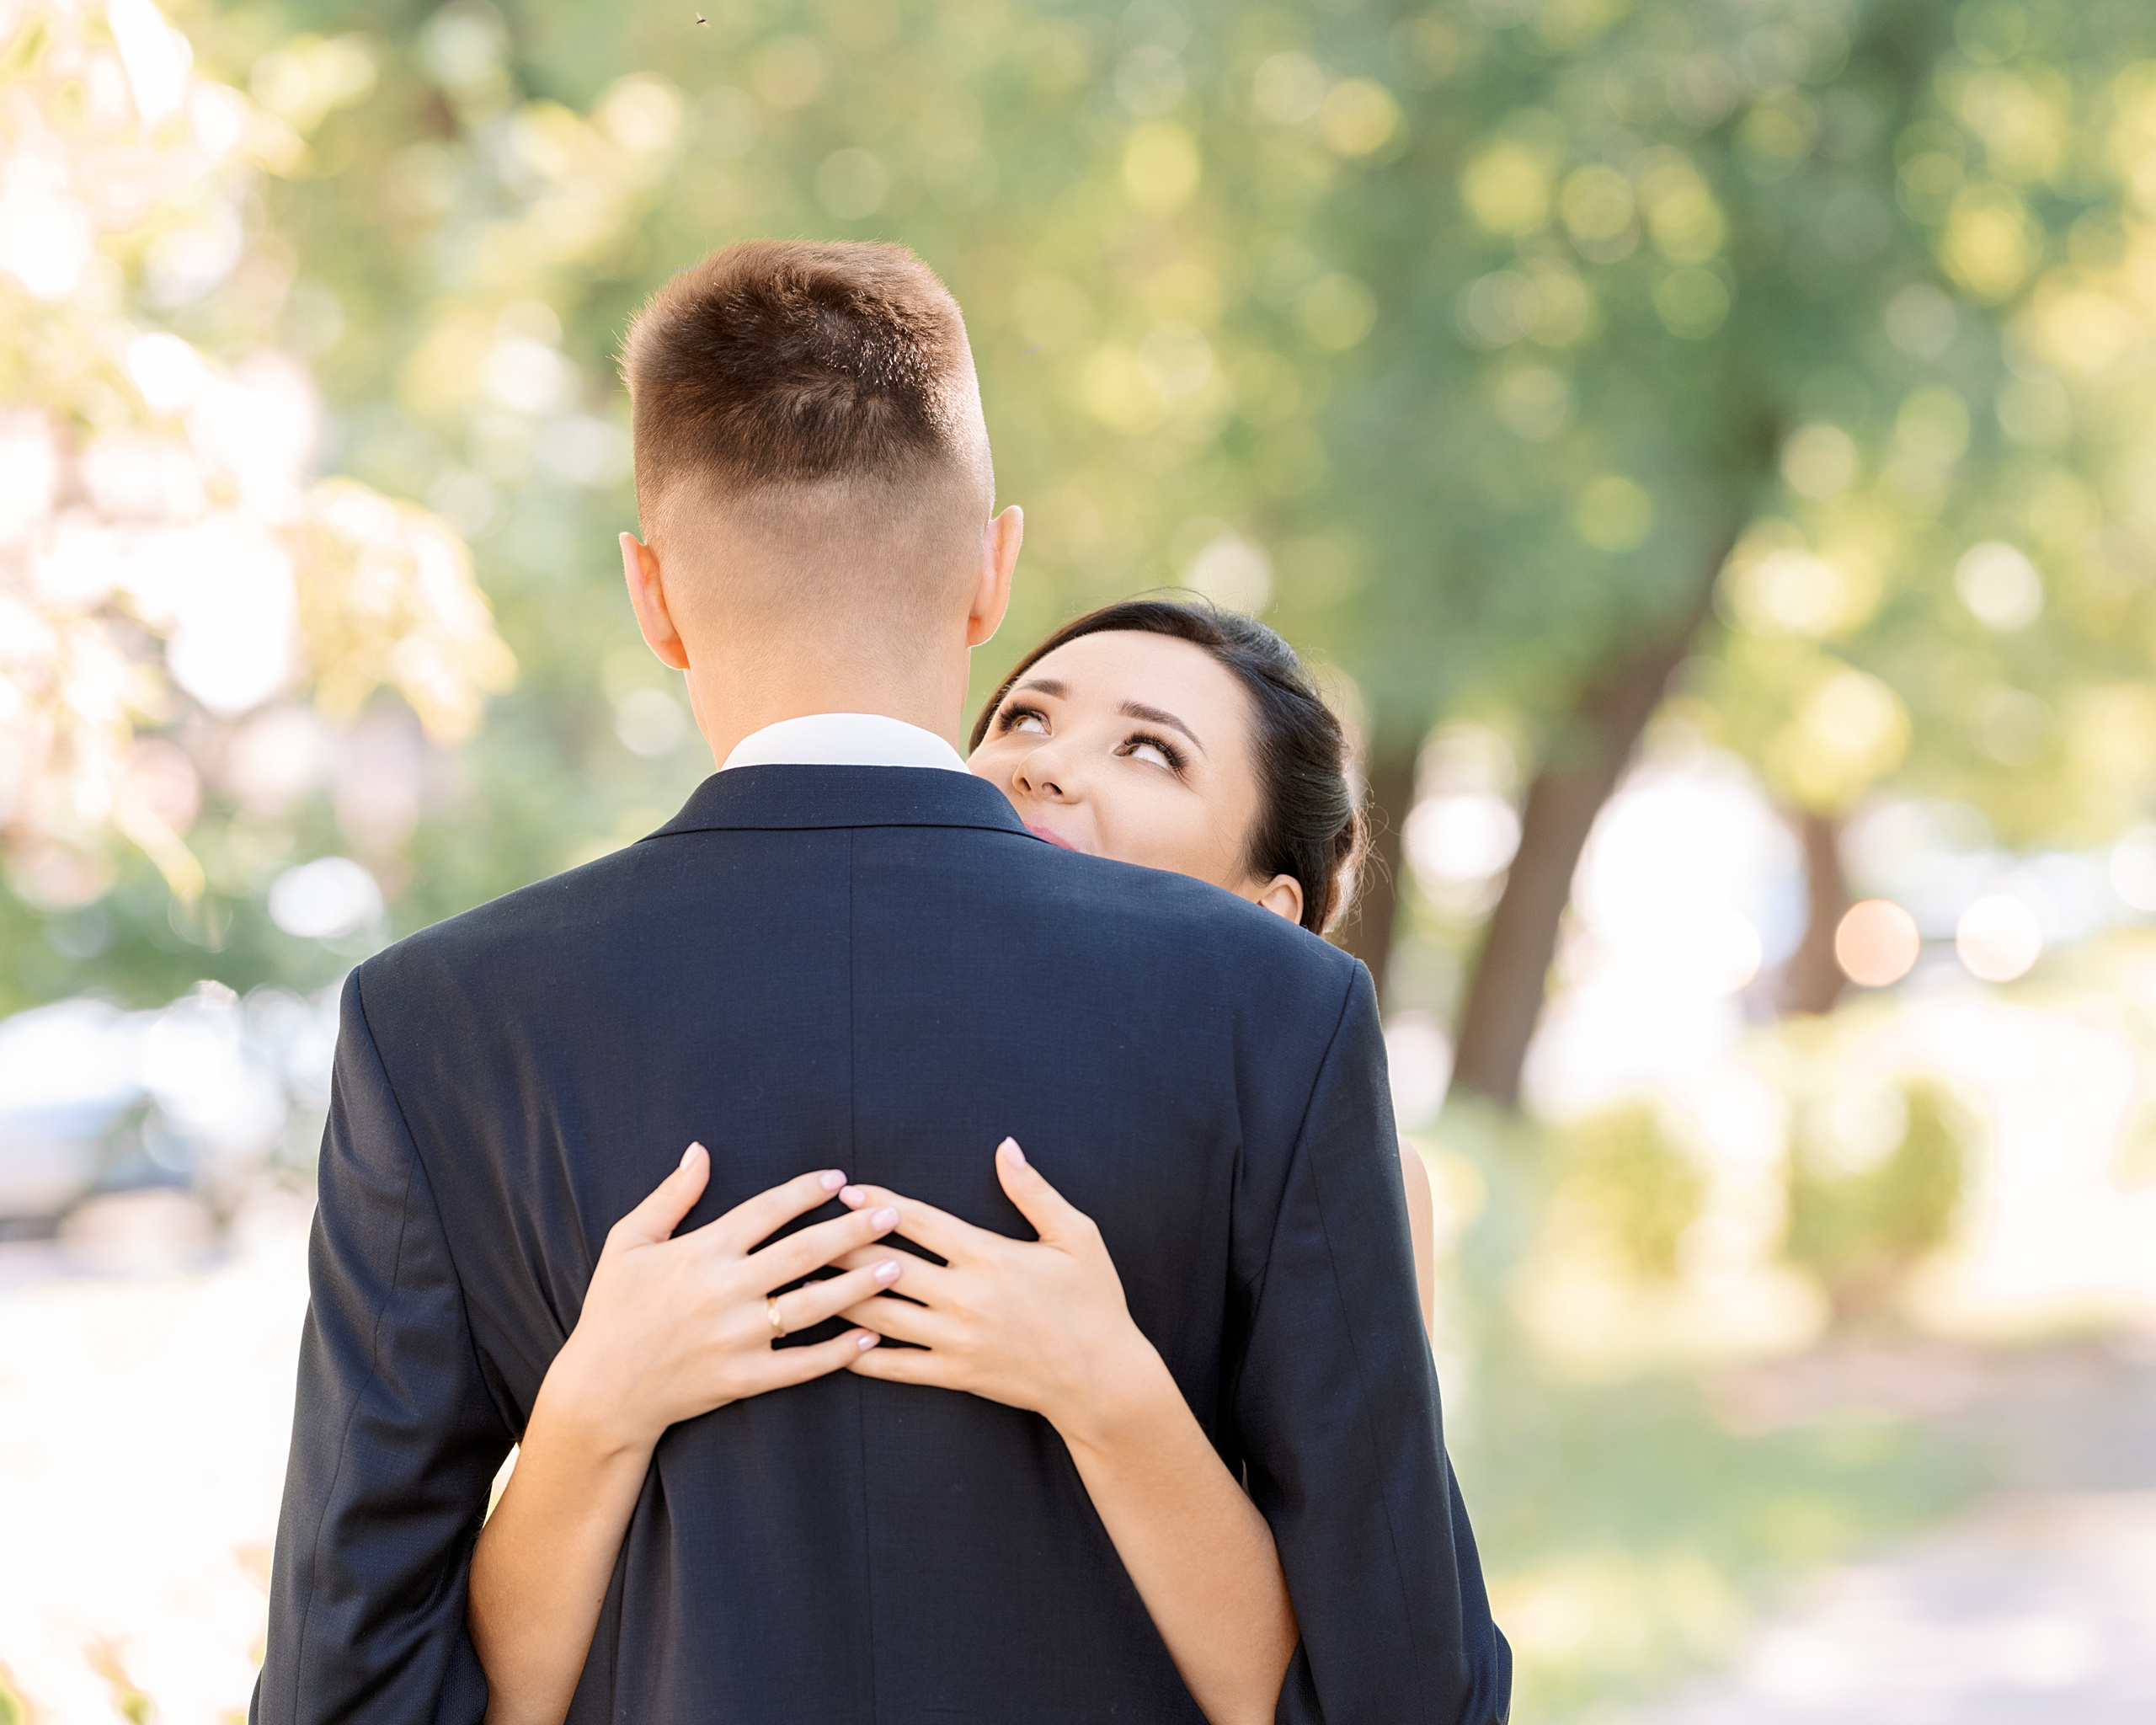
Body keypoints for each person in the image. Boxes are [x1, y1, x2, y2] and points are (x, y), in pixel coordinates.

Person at [252, 240, 1508, 1725]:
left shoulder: (438, 1026)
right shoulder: (1281, 1015)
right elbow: (1412, 1696)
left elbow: (348, 1689)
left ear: (651, 599)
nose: (1059, 758)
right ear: (992, 573)